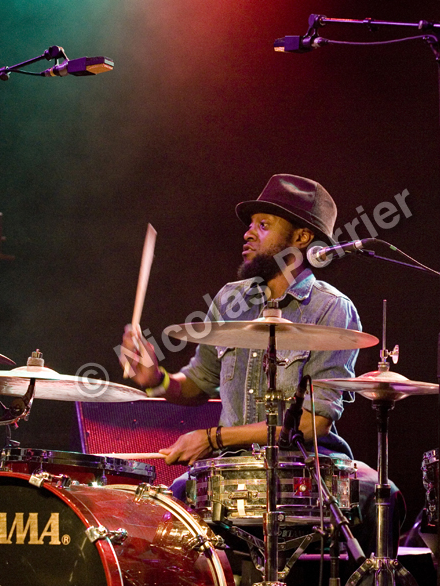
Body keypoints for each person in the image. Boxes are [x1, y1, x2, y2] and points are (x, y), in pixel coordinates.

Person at [120, 173, 403, 555]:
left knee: (378, 497)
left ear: (301, 239)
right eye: (251, 224)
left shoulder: (331, 309)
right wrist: (154, 378)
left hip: (307, 469)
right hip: (231, 470)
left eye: (264, 225)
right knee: (169, 512)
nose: (248, 233)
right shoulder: (229, 300)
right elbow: (196, 385)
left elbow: (312, 422)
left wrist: (212, 438)